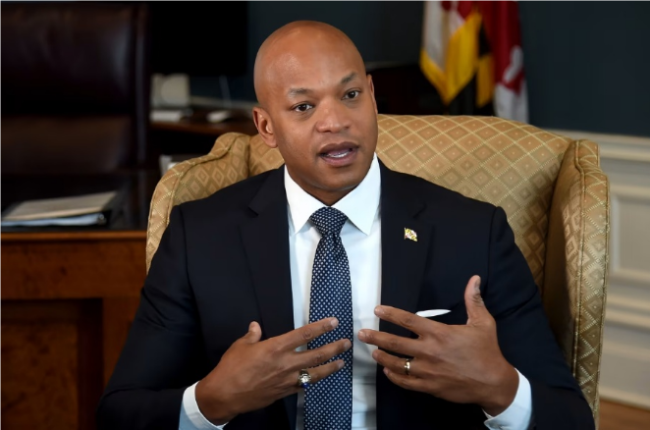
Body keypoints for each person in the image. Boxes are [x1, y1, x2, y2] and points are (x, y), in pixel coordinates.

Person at [97, 21, 595, 430]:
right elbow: (120, 413)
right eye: (304, 106)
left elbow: (571, 418)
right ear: (266, 126)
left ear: (372, 97)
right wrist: (212, 400)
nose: (335, 122)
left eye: (351, 94)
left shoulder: (474, 231)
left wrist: (499, 386)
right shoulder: (199, 236)